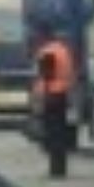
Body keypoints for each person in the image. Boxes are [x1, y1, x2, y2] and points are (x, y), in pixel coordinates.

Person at [33, 32, 77, 179]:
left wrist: (41, 98)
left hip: (51, 95)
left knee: (53, 134)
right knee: (60, 132)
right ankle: (60, 168)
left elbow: (47, 75)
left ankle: (55, 169)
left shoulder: (48, 52)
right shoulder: (64, 51)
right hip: (62, 94)